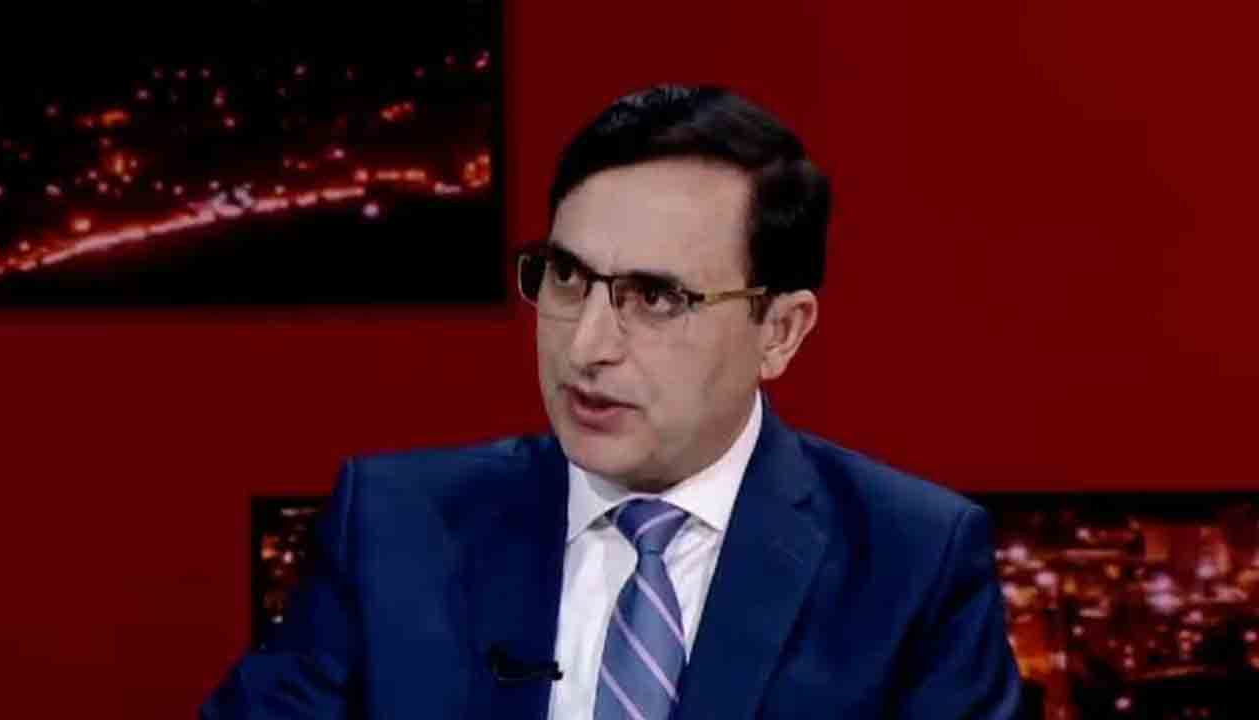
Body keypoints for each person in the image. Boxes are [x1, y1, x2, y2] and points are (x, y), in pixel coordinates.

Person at [202, 84, 1021, 719]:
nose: (586, 344)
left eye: (656, 297)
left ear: (780, 331)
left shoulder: (912, 564)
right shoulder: (391, 527)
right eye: (567, 277)